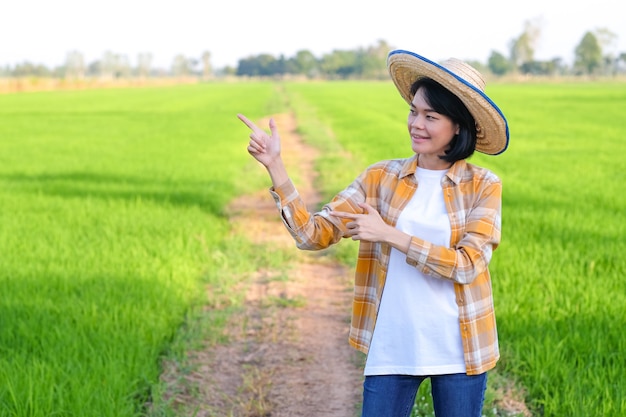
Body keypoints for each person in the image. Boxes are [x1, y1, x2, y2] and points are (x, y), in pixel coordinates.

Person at [237, 49, 509, 417]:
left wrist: (390, 234)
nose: (416, 123)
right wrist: (276, 167)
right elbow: (312, 234)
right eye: (413, 111)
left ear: (458, 125)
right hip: (393, 343)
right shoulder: (380, 178)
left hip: (459, 347)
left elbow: (468, 264)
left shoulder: (483, 185)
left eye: (431, 116)